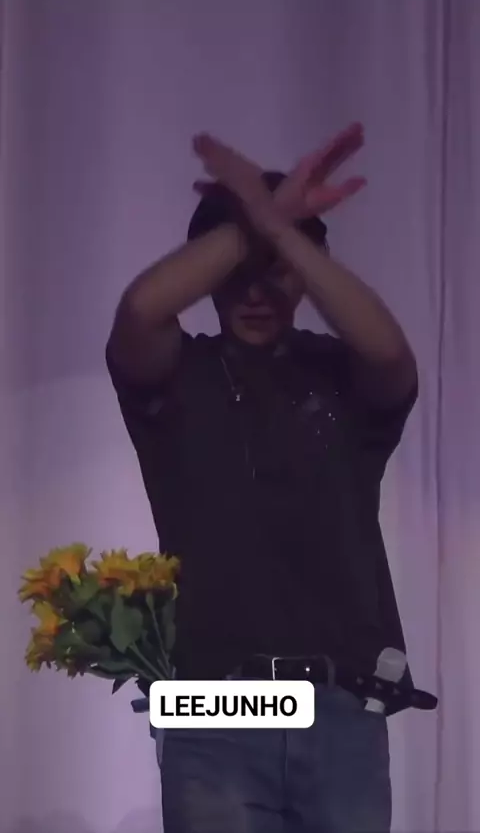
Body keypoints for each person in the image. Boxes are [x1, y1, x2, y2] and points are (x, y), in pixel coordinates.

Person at [106, 124, 418, 833]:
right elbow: (141, 308)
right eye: (235, 273)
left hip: (340, 705)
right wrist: (261, 226)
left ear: (306, 272)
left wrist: (281, 231)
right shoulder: (181, 377)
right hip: (211, 706)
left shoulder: (339, 376)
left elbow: (391, 354)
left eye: (275, 271)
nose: (254, 294)